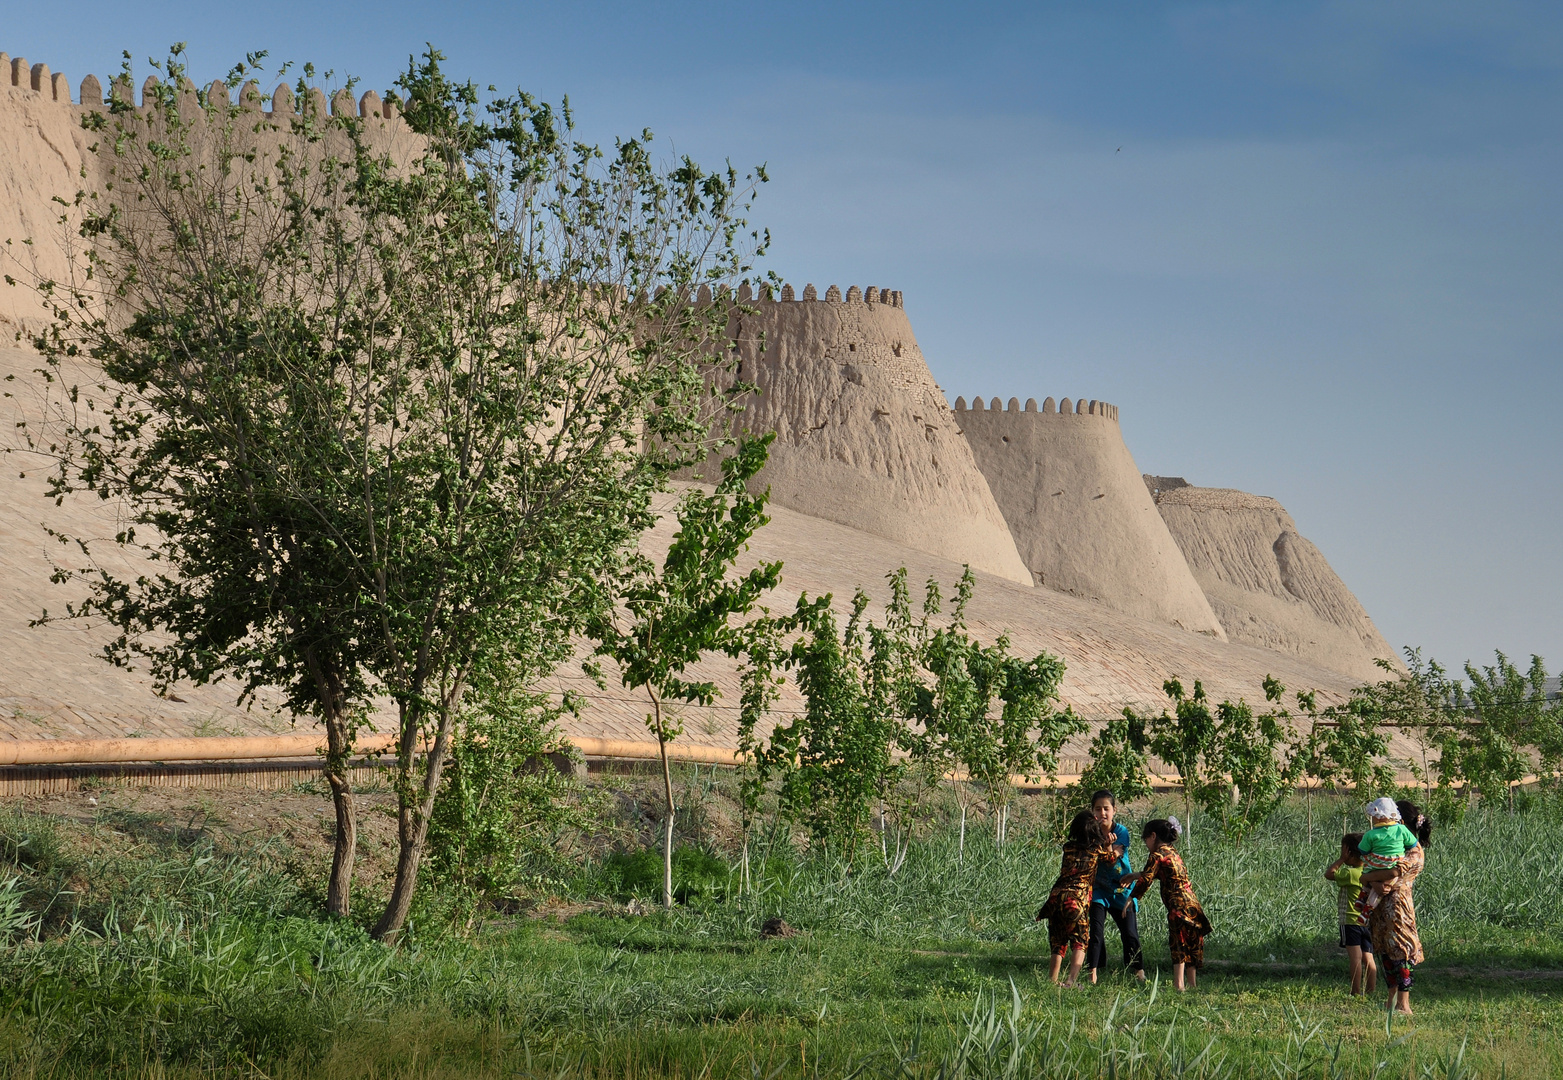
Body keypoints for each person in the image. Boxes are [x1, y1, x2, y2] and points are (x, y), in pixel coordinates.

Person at [1127, 817, 1212, 992]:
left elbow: (1147, 878)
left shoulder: (1157, 854)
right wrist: (1133, 875)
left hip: (1177, 905)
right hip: (1191, 903)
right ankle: (1192, 984)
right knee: (1190, 942)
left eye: (1145, 840)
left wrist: (1131, 898)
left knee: (1178, 943)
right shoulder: (1172, 852)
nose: (1146, 844)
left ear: (1152, 836)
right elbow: (1157, 873)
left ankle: (1179, 985)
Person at [1036, 809, 1115, 987]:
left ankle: (1052, 981)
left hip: (1056, 898)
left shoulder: (1068, 847)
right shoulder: (1096, 850)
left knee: (1058, 941)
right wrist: (1109, 844)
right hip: (1076, 900)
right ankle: (1071, 981)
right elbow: (1110, 860)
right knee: (1080, 941)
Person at [1368, 799, 1431, 1016]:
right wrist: (1373, 880)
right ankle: (1391, 999)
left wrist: (1370, 878)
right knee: (1386, 951)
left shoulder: (1414, 851)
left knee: (1402, 952)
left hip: (1398, 909)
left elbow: (1394, 875)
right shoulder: (1392, 846)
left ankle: (1404, 1003)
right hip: (1382, 909)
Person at [1084, 789, 1145, 984]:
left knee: (1129, 933)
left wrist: (1108, 847)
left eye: (1106, 808)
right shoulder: (1089, 833)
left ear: (1114, 810)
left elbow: (1111, 860)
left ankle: (1138, 971)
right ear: (1092, 810)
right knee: (1095, 933)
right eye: (1098, 809)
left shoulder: (1121, 832)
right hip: (1098, 890)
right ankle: (1093, 972)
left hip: (1121, 889)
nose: (1102, 813)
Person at [1325, 832, 1377, 995]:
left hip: (1350, 921)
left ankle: (1355, 992)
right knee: (1368, 958)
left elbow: (1329, 874)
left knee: (1355, 958)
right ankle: (1370, 991)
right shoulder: (1369, 873)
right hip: (1367, 921)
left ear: (1349, 853)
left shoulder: (1350, 873)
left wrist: (1341, 859)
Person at [1355, 797, 1421, 918]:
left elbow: (1363, 850)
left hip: (1396, 908)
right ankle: (1367, 910)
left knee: (1367, 868)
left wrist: (1370, 880)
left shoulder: (1370, 834)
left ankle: (1363, 898)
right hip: (1393, 902)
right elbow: (1411, 843)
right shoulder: (1401, 830)